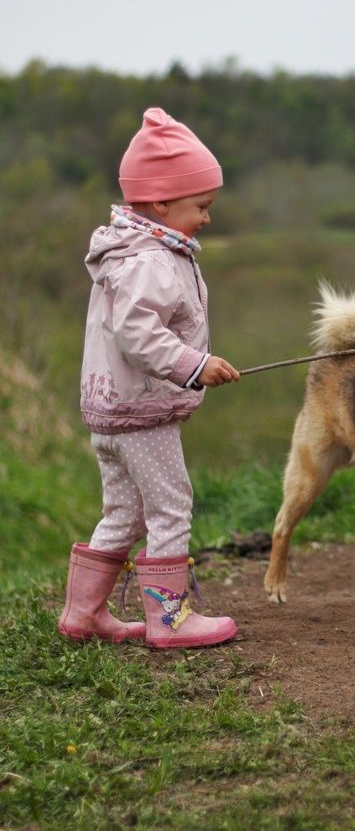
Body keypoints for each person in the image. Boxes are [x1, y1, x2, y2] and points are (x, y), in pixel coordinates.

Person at [58, 108, 239, 649]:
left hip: (114, 412)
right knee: (170, 505)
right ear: (161, 202)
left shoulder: (136, 251)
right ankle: (170, 618)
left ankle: (83, 614)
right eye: (200, 206)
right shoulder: (149, 261)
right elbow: (139, 335)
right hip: (143, 412)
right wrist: (194, 364)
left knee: (124, 510)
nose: (207, 217)